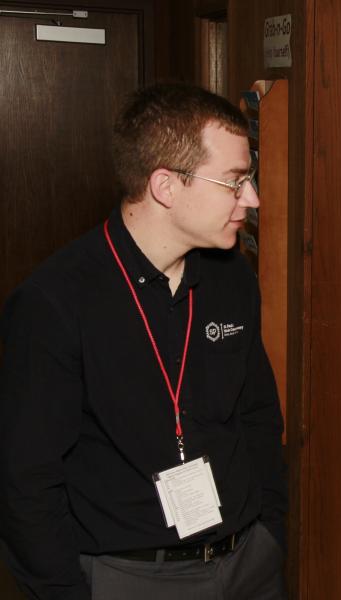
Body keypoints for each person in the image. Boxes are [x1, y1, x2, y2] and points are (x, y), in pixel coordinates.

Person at [0, 83, 287, 600]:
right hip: (131, 575)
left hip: (249, 563)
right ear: (165, 186)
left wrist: (272, 534)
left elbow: (258, 416)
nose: (252, 198)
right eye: (234, 181)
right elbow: (26, 479)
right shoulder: (56, 302)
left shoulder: (232, 279)